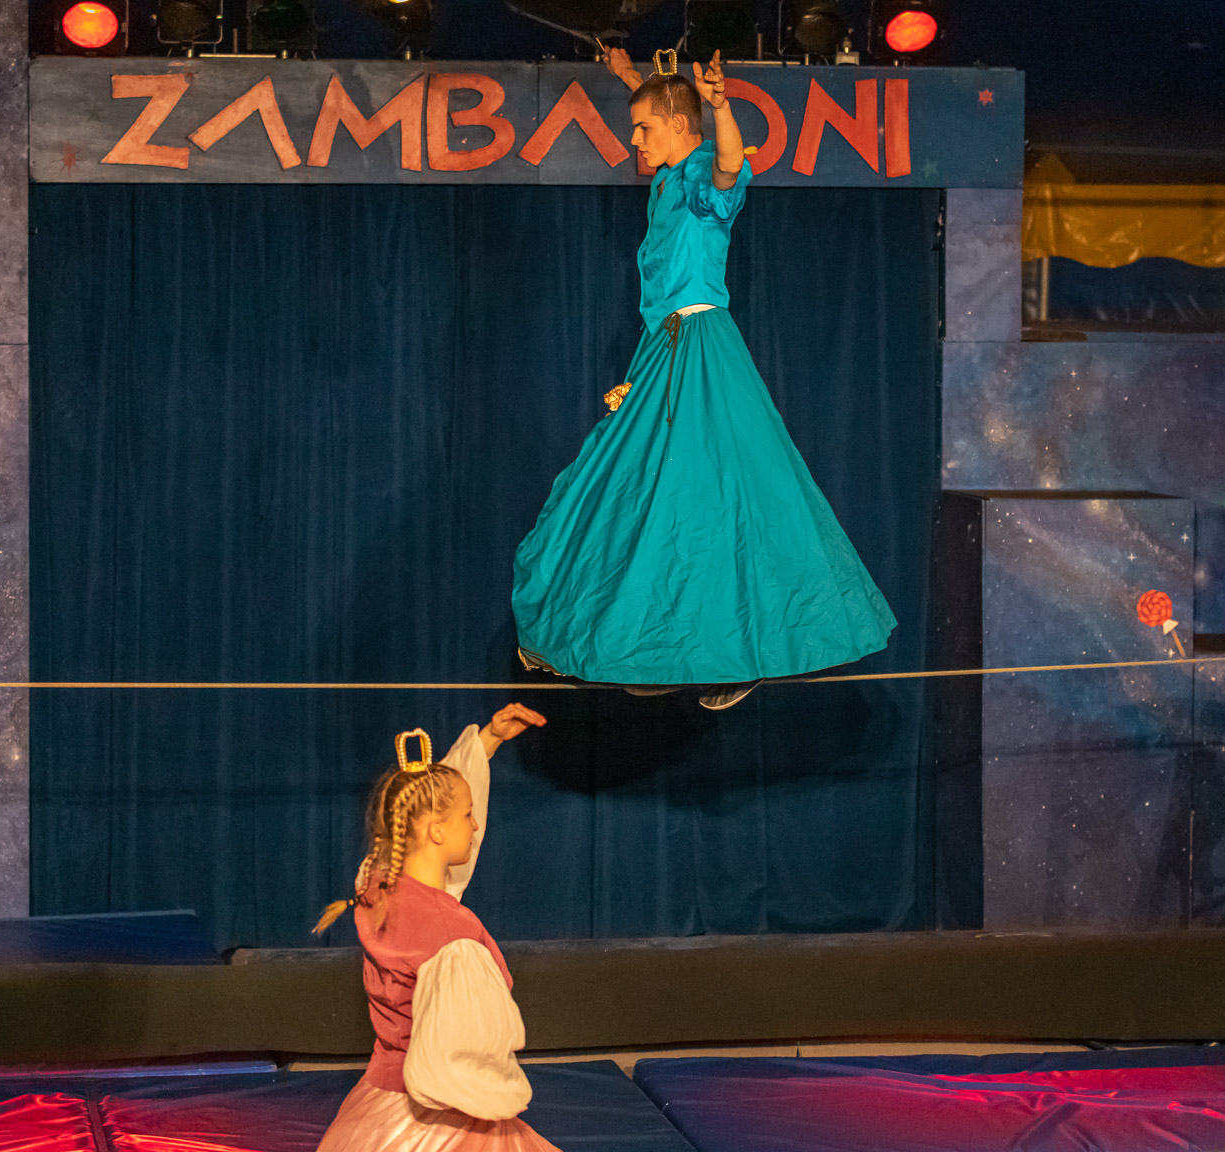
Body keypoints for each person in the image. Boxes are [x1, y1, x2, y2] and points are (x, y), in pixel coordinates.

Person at [511, 48, 895, 711]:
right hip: (661, 352)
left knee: (709, 495)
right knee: (622, 486)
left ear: (676, 125)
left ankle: (736, 654)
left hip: (702, 348)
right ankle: (655, 646)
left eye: (643, 128)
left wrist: (719, 106)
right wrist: (633, 79)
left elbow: (725, 164)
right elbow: (670, 109)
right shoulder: (665, 180)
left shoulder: (699, 174)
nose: (635, 140)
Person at [314, 703, 555, 1152]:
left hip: (378, 1107)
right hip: (438, 1118)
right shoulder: (452, 933)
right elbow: (464, 1061)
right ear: (438, 832)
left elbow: (420, 807)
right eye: (467, 815)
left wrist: (488, 740)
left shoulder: (375, 884)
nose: (476, 824)